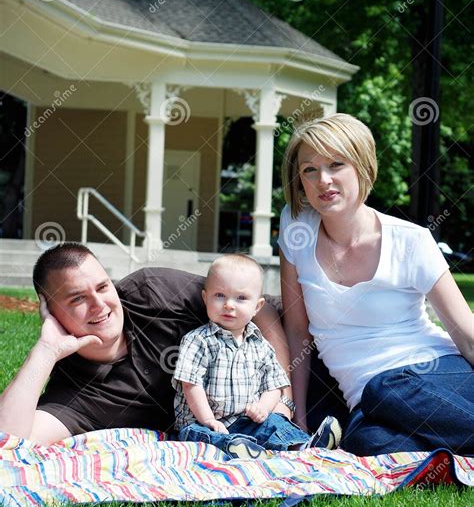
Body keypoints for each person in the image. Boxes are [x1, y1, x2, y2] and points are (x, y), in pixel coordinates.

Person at [279, 113, 474, 456]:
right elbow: (297, 331)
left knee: (385, 386)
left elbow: (467, 337)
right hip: (370, 399)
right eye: (309, 169)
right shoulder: (295, 227)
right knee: (363, 440)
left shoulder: (411, 241)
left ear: (363, 166)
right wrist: (298, 416)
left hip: (438, 374)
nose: (323, 179)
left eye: (336, 164)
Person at [0, 243, 294, 446]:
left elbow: (260, 309)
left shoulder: (152, 291)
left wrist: (284, 402)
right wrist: (46, 350)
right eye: (78, 299)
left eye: (103, 287)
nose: (99, 305)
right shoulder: (74, 393)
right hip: (236, 429)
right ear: (52, 313)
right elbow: (7, 440)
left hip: (297, 351)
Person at [173, 254, 335, 459]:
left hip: (246, 421)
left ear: (257, 307)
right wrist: (208, 420)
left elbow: (274, 386)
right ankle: (237, 448)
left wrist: (263, 408)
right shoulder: (197, 341)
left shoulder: (261, 346)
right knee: (197, 435)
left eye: (241, 298)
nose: (229, 305)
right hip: (203, 421)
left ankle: (303, 446)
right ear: (205, 298)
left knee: (275, 422)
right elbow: (190, 385)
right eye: (220, 295)